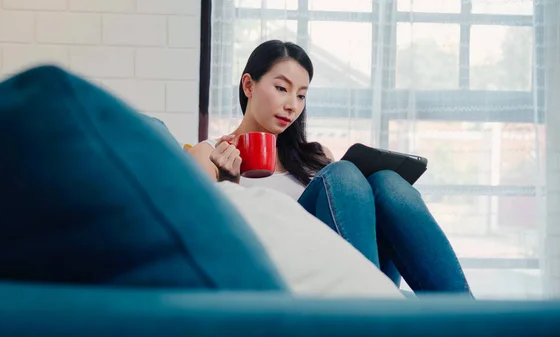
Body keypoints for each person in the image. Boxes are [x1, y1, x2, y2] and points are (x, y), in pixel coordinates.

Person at [188, 40, 473, 296]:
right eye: (281, 88)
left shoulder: (316, 156)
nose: (292, 105)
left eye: (301, 95)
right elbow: (201, 243)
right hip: (288, 281)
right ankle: (370, 310)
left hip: (353, 277)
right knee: (343, 172)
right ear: (248, 85)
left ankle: (467, 318)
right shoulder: (210, 154)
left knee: (389, 181)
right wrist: (229, 186)